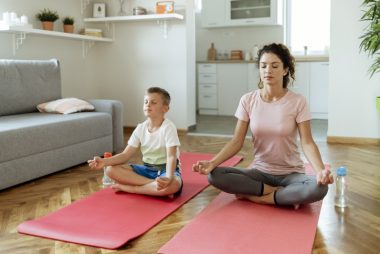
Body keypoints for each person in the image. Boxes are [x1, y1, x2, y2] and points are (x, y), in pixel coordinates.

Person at [192, 43, 333, 208]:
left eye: (274, 66)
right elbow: (236, 141)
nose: (268, 70)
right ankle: (278, 194)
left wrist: (320, 171)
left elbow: (307, 142)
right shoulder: (248, 100)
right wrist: (212, 163)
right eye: (263, 66)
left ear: (285, 70)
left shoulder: (298, 101)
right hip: (259, 172)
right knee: (214, 175)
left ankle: (260, 197)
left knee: (319, 188)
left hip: (291, 174)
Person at [88, 87, 182, 198]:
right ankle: (153, 186)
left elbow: (171, 157)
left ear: (165, 108)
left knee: (174, 184)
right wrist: (105, 161)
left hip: (165, 170)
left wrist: (169, 178)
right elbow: (125, 155)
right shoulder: (140, 128)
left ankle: (132, 188)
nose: (148, 104)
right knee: (110, 170)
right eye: (146, 102)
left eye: (154, 102)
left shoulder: (169, 127)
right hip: (147, 170)